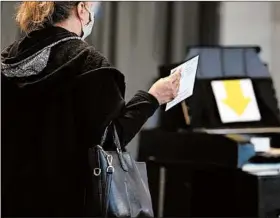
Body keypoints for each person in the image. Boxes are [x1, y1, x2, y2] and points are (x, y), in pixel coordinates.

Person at [1, 1, 181, 217]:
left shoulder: (9, 58)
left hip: (12, 200)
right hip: (70, 202)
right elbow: (110, 139)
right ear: (81, 8)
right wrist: (153, 98)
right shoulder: (89, 64)